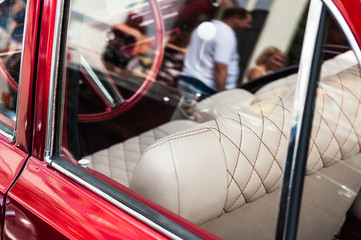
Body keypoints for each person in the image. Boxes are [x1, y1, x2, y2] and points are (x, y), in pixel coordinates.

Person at [178, 7, 252, 96]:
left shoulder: (203, 27)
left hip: (186, 79)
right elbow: (220, 67)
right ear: (236, 18)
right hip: (204, 88)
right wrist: (221, 96)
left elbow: (187, 52)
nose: (249, 26)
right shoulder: (226, 34)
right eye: (247, 23)